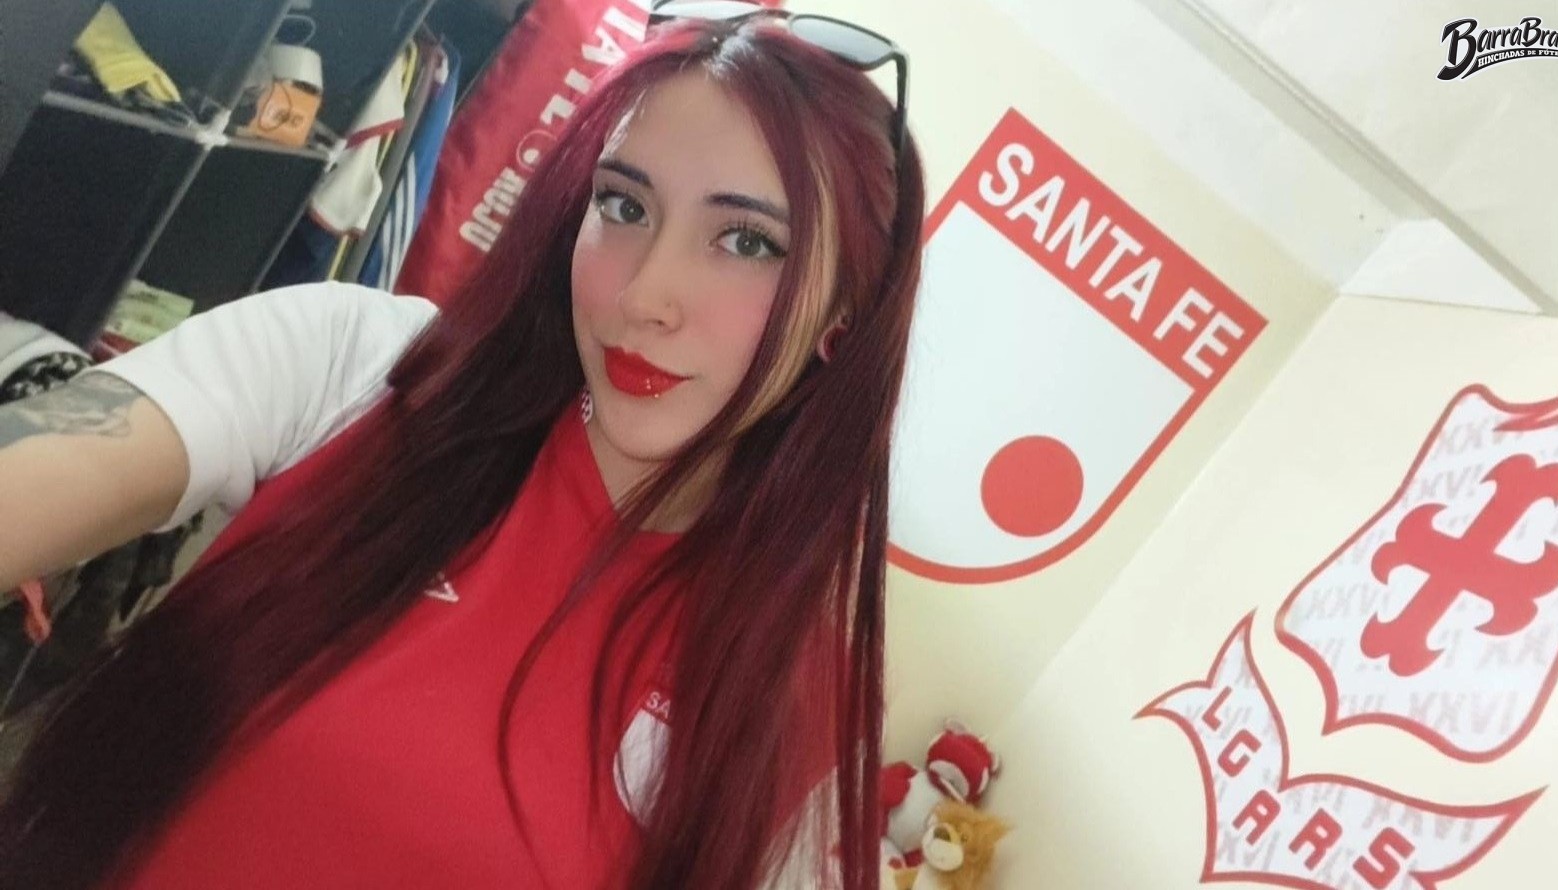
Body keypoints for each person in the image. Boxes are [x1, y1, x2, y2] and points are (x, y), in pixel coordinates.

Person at [0, 5, 924, 890]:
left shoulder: (799, 703)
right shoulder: (366, 370)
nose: (644, 295)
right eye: (623, 205)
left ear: (844, 311)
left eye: (747, 241)